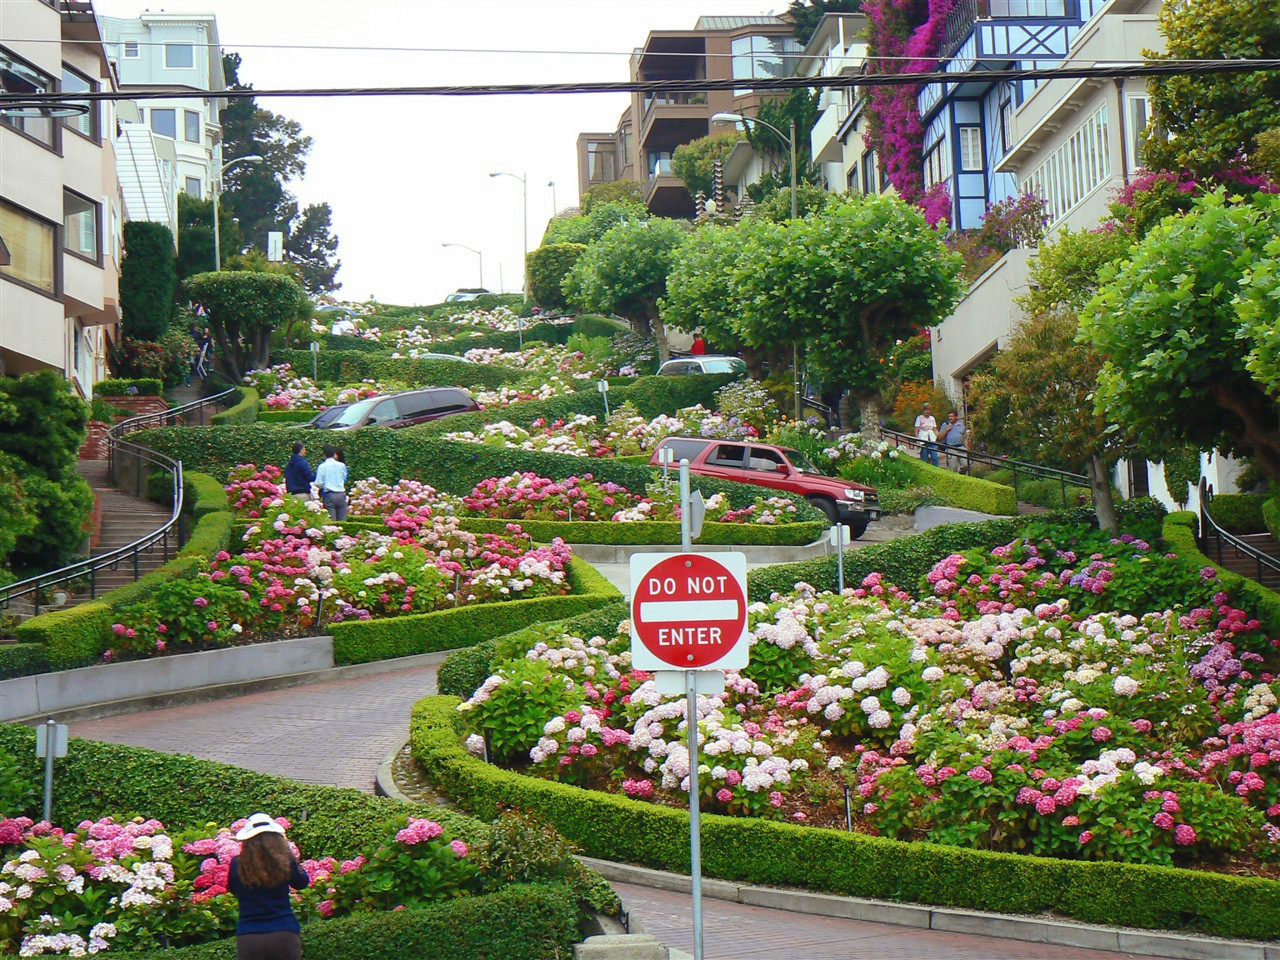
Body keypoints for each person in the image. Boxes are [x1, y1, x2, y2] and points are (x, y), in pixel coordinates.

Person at [228, 813, 310, 960]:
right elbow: (302, 882)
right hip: (284, 932)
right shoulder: (284, 860)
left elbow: (233, 889)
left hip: (249, 936)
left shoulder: (237, 864)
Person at [313, 445, 348, 520]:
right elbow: (344, 478)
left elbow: (318, 483)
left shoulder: (322, 466)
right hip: (341, 494)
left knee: (331, 521)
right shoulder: (342, 465)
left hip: (329, 494)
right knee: (342, 520)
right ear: (334, 454)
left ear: (324, 454)